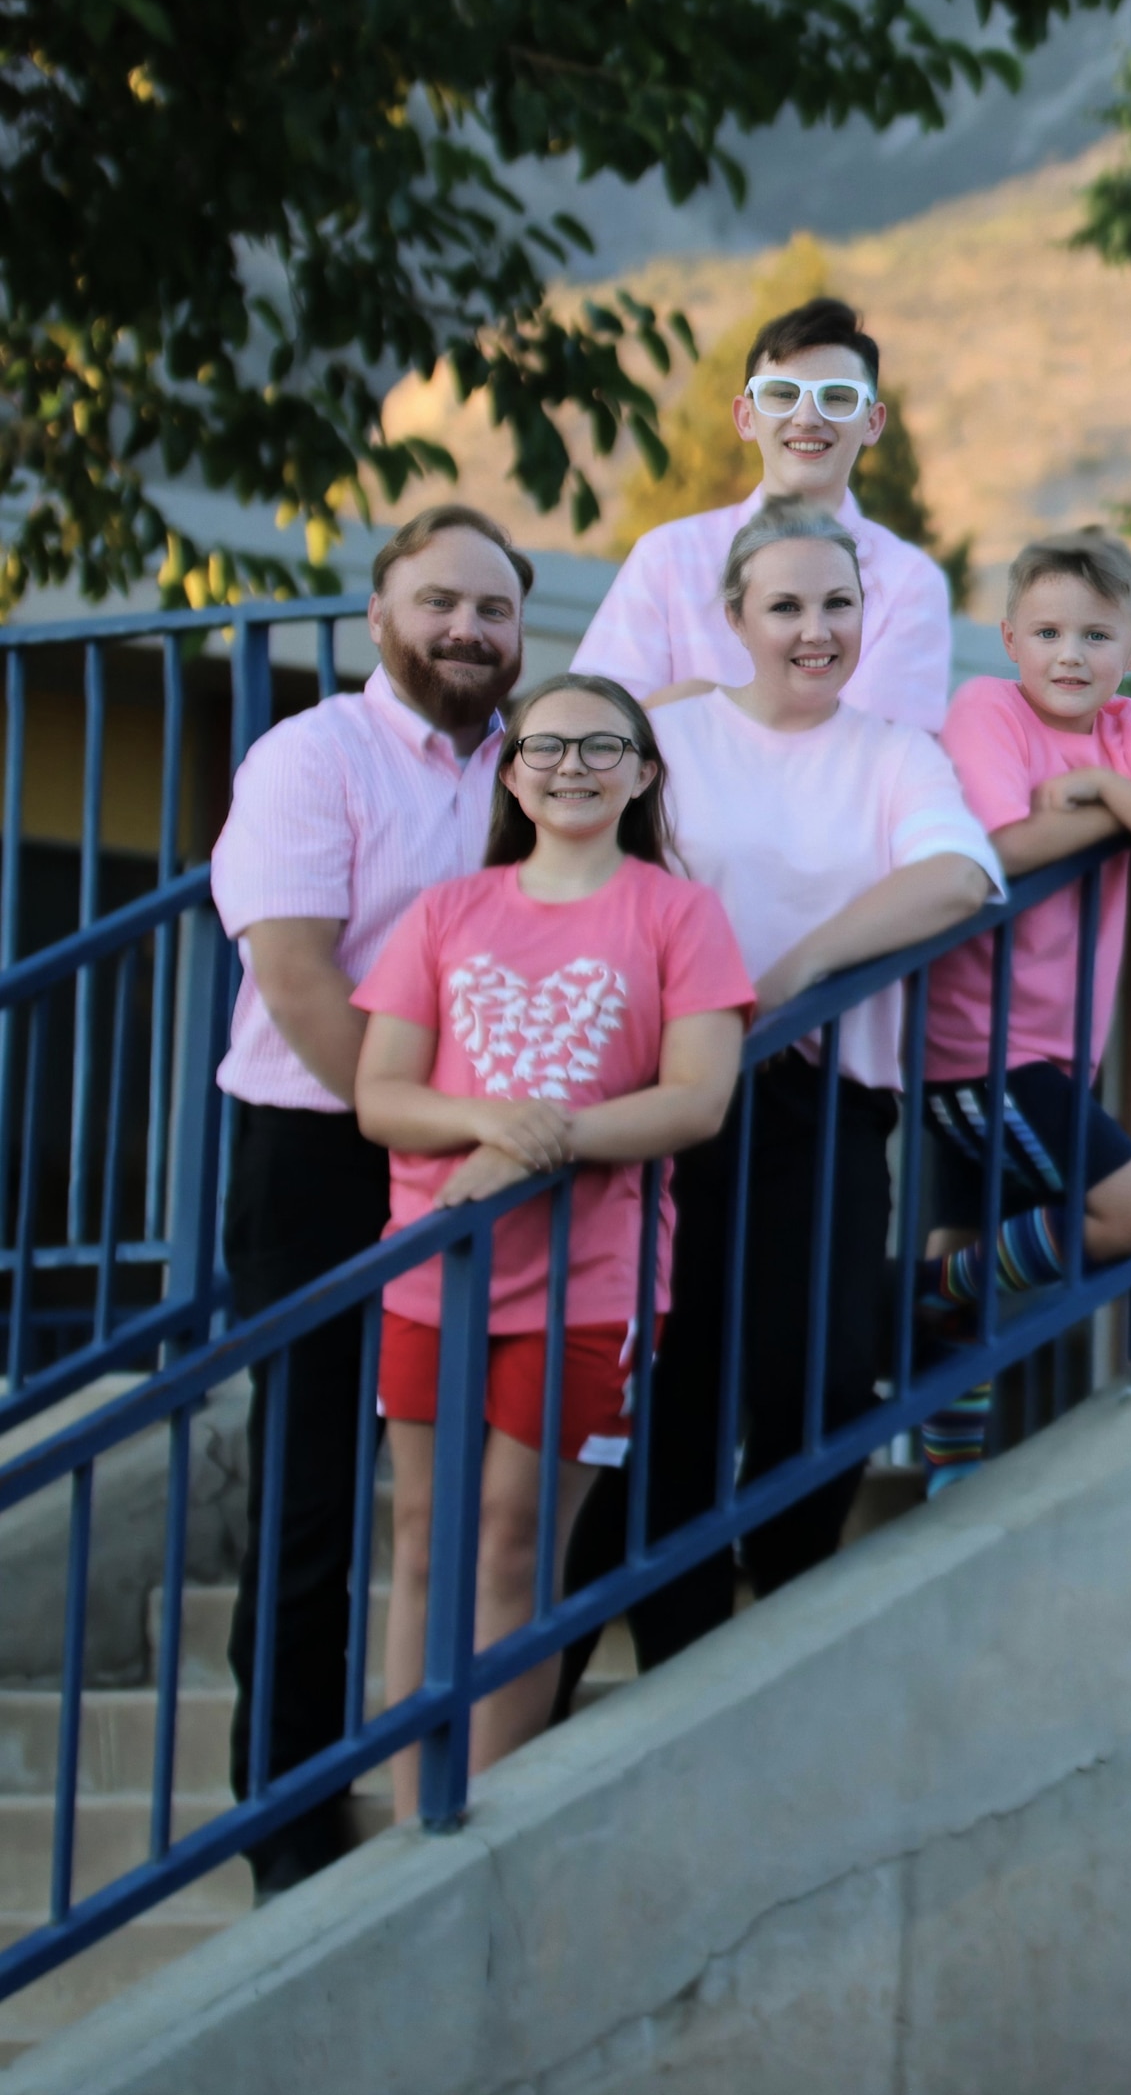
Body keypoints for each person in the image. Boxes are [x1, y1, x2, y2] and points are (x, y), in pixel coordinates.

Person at [592, 517, 1002, 1675]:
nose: (814, 631)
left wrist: (789, 975)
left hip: (821, 1098)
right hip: (672, 1097)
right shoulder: (665, 736)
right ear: (734, 620)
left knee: (818, 1374)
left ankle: (778, 1608)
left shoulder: (892, 754)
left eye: (836, 606)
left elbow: (957, 874)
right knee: (678, 1380)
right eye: (785, 607)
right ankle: (677, 1645)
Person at [348, 675, 750, 1812]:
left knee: (515, 1540)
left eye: (601, 745)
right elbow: (383, 1096)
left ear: (644, 770)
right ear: (510, 772)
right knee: (424, 1537)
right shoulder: (446, 912)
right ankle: (400, 1816)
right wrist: (489, 1124)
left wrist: (540, 1146)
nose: (571, 765)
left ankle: (473, 1812)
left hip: (591, 1281)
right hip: (437, 1266)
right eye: (545, 746)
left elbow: (695, 1102)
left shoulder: (679, 913)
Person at [207, 504, 524, 1887]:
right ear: (381, 619)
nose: (467, 629)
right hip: (322, 1146)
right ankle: (283, 1817)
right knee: (316, 1490)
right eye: (440, 602)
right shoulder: (311, 757)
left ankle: (479, 1765)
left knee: (490, 1472)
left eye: (495, 611)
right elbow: (295, 977)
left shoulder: (543, 764)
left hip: (498, 1159)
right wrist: (416, 1133)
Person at [908, 532, 1131, 1462]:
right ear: (1009, 638)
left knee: (969, 1245)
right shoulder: (987, 707)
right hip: (982, 1046)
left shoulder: (1127, 731)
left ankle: (947, 1472)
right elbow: (997, 851)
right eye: (1047, 632)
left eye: (1096, 636)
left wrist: (1106, 790)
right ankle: (918, 1290)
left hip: (1053, 1052)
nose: (1069, 655)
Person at [575, 299, 956, 732]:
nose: (807, 418)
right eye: (782, 394)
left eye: (837, 397)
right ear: (745, 417)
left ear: (872, 422)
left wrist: (697, 706)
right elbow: (590, 728)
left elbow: (877, 757)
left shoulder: (909, 580)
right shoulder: (667, 557)